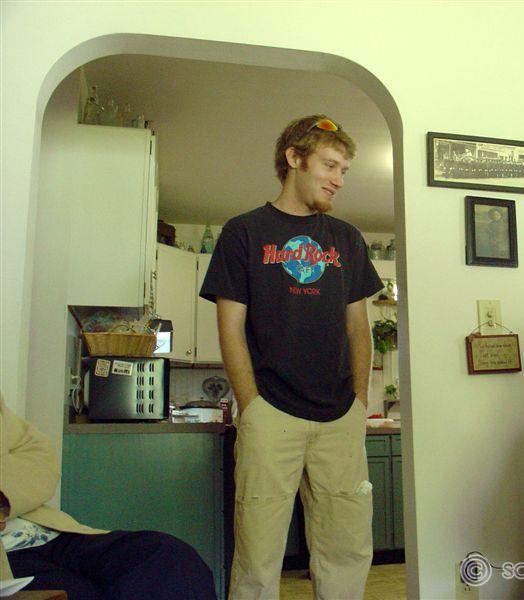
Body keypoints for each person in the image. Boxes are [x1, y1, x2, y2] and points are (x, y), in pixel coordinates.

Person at [200, 115, 384, 599]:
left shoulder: (347, 239)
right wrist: (252, 405)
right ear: (294, 158)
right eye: (329, 165)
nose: (338, 180)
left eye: (343, 170)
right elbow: (230, 329)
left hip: (340, 415)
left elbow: (358, 327)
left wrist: (359, 400)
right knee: (258, 556)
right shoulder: (243, 233)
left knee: (347, 549)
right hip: (271, 413)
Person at [0, 395, 215, 599]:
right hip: (11, 557)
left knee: (169, 557)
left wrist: (4, 496)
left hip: (50, 532)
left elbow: (41, 455)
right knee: (81, 593)